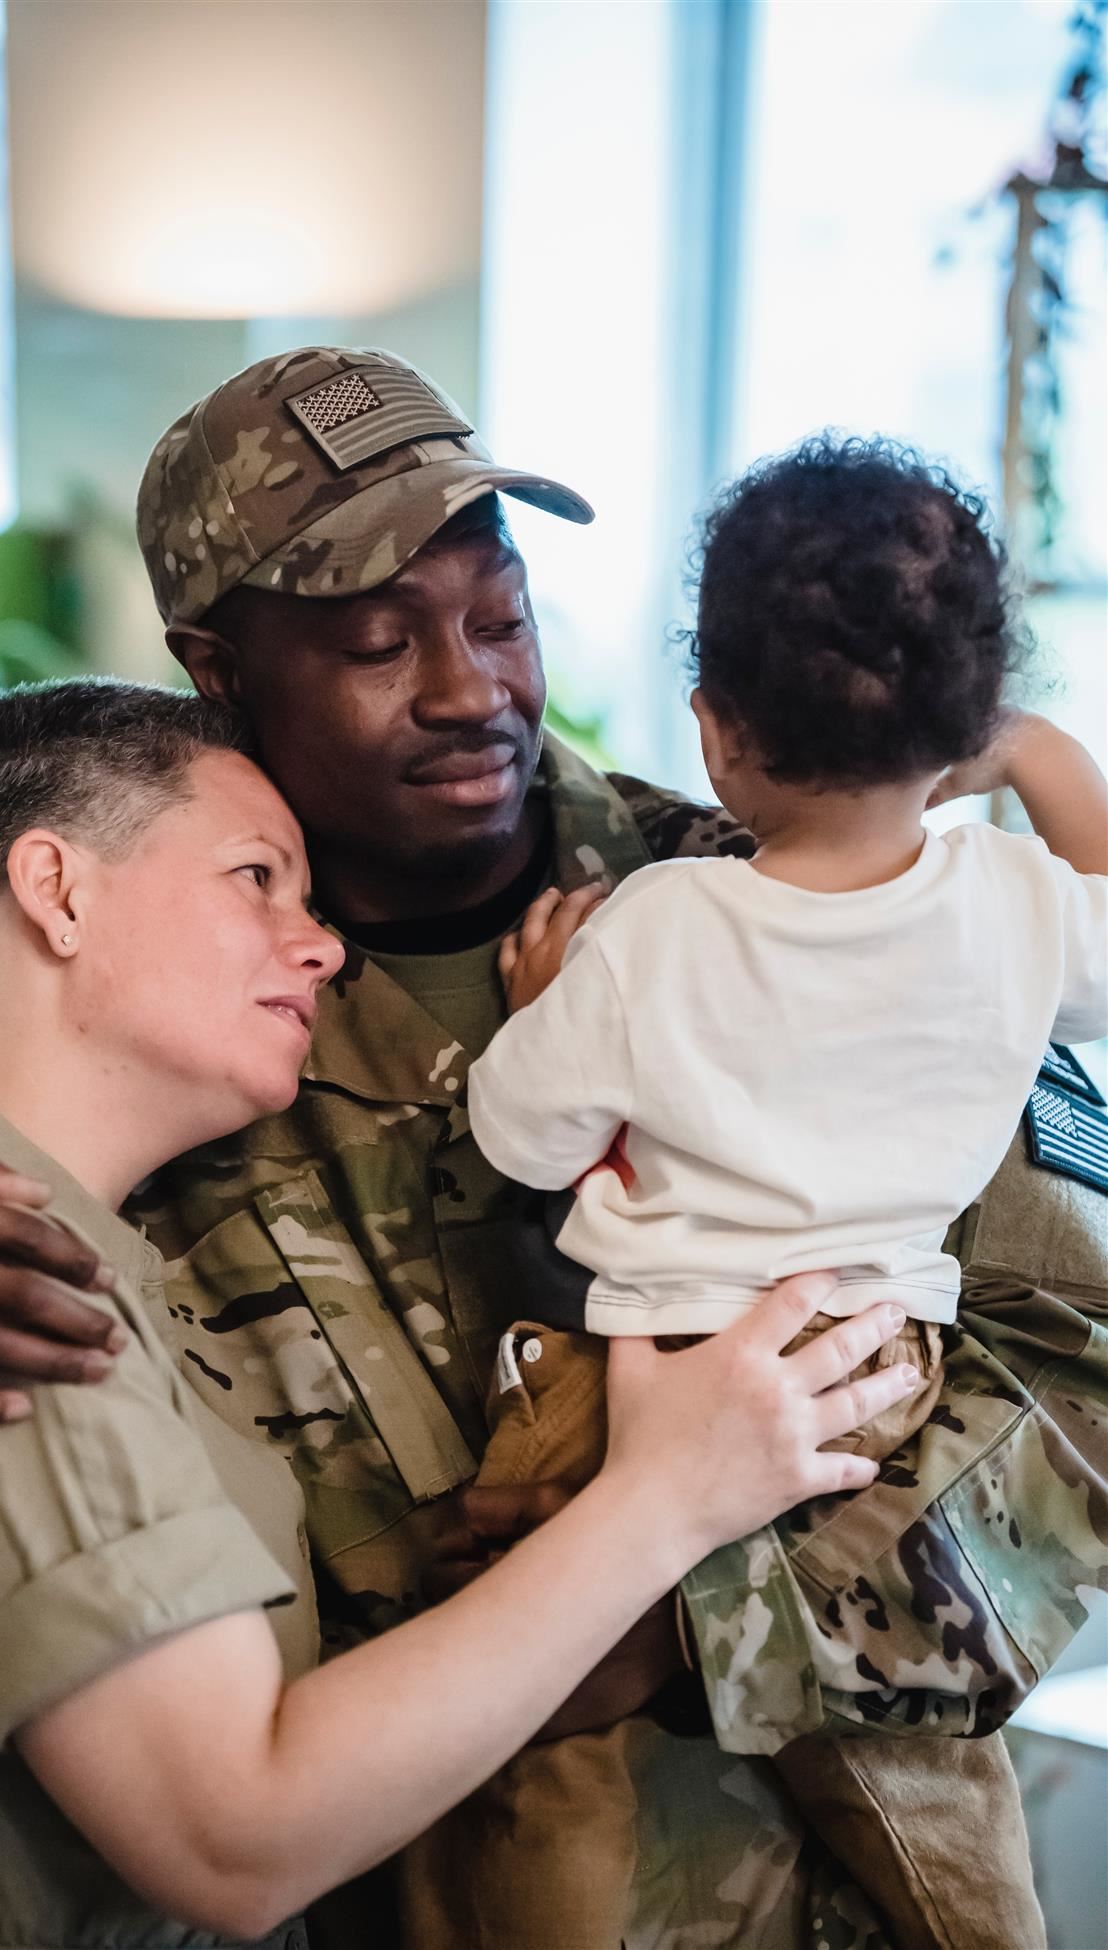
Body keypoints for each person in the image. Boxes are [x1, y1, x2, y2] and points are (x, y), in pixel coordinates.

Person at [0, 346, 1104, 1949]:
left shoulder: (796, 895)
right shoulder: (158, 996)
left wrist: (692, 1622)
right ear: (216, 670)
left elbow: (1078, 1365)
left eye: (502, 619)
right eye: (375, 643)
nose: (469, 687)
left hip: (808, 1892)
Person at [0, 674, 915, 1950]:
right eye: (254, 879)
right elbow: (234, 1835)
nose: (323, 944)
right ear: (59, 892)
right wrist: (669, 1496)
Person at [447, 436, 1108, 1950]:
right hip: (866, 1397)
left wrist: (547, 1001)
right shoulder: (1016, 910)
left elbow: (520, 1138)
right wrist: (1043, 755)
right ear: (957, 730)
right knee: (923, 1775)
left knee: (548, 1744)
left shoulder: (655, 924)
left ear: (717, 727)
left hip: (631, 1387)